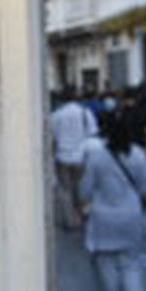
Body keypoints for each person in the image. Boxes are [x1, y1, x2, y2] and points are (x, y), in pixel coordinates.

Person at [78, 111, 146, 291]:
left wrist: (83, 206)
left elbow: (85, 189)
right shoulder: (139, 155)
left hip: (103, 217)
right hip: (131, 216)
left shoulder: (97, 157)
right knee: (131, 264)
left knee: (107, 267)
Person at [49, 87, 97, 230]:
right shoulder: (85, 113)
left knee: (65, 189)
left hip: (62, 156)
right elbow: (92, 132)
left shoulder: (56, 115)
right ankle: (82, 213)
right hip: (81, 156)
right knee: (81, 187)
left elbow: (52, 135)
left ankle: (70, 221)